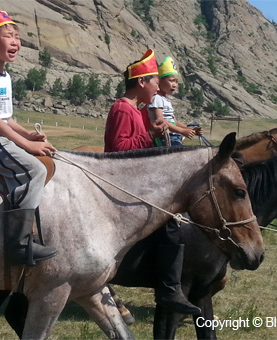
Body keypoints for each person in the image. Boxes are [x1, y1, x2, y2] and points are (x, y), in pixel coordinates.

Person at [103, 50, 201, 314]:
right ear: (142, 82)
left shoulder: (134, 109)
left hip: (133, 178)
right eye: (155, 80)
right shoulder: (123, 108)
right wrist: (149, 134)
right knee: (169, 224)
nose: (158, 85)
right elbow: (119, 147)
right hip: (124, 182)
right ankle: (169, 288)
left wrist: (151, 134)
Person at [0, 6, 57, 266]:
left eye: (16, 36)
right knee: (35, 171)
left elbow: (6, 118)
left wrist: (28, 134)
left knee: (46, 160)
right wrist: (25, 145)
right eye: (7, 36)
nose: (15, 41)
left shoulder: (4, 76)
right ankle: (19, 243)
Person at [143, 56, 203, 147]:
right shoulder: (157, 98)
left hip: (173, 135)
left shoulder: (165, 100)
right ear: (159, 81)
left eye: (176, 81)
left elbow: (173, 121)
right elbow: (161, 121)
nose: (174, 85)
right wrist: (182, 131)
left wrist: (190, 129)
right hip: (165, 137)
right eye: (171, 80)